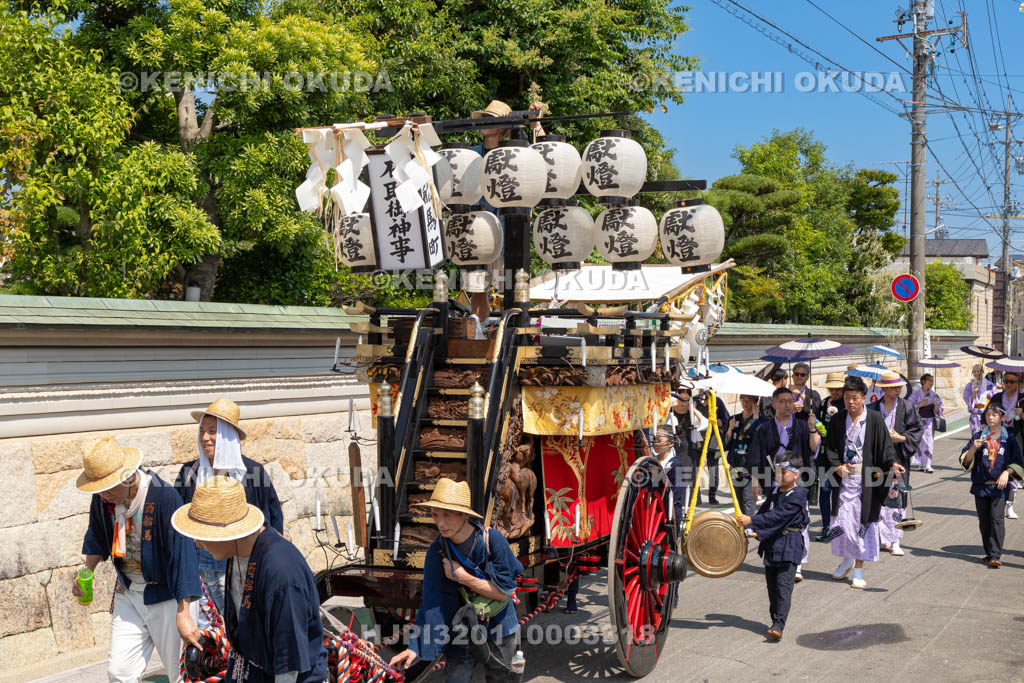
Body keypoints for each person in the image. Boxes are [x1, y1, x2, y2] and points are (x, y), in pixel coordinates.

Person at [172, 477, 328, 683]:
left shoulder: (282, 573)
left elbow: (289, 660)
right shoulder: (238, 551)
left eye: (203, 535)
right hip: (251, 670)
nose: (198, 543)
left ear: (227, 533)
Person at [75, 437, 202, 683]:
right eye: (99, 488)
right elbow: (97, 538)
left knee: (181, 675)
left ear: (128, 477)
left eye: (108, 486)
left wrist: (184, 612)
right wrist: (87, 570)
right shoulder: (103, 499)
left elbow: (182, 557)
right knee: (119, 672)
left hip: (168, 596)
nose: (103, 494)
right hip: (129, 592)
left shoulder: (165, 498)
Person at [389, 478, 523, 682]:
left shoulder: (493, 540)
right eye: (435, 515)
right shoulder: (437, 550)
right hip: (461, 630)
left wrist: (462, 577)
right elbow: (433, 602)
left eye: (447, 515)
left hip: (499, 627)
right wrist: (415, 647)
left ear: (465, 515)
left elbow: (503, 592)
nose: (440, 523)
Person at [174, 398, 284, 626]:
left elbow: (271, 521)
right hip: (199, 570)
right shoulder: (189, 473)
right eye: (202, 431)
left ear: (227, 435)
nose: (205, 438)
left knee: (239, 624)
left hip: (239, 567)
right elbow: (179, 521)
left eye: (213, 431)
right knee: (207, 634)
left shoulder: (252, 473)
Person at [824, 376, 904, 589]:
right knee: (842, 524)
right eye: (848, 398)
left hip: (866, 482)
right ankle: (847, 559)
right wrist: (837, 466)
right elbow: (830, 448)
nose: (851, 402)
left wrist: (893, 463)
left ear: (863, 398)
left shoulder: (875, 419)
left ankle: (857, 570)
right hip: (844, 481)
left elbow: (886, 447)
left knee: (862, 525)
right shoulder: (839, 420)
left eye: (855, 398)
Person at [748, 387, 820, 581]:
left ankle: (797, 563)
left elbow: (813, 449)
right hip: (774, 480)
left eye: (790, 400)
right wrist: (756, 482)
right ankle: (777, 557)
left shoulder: (802, 426)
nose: (787, 404)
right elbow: (756, 456)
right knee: (776, 520)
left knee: (798, 523)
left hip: (798, 480)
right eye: (783, 401)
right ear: (774, 404)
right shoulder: (764, 428)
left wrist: (813, 428)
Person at [736, 451, 810, 641]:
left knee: (783, 587)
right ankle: (774, 620)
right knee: (772, 588)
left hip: (789, 545)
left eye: (784, 471)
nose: (780, 474)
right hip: (772, 545)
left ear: (796, 474)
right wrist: (749, 527)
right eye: (778, 470)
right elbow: (764, 511)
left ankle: (779, 624)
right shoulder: (776, 491)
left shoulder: (799, 495)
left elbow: (778, 517)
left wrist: (753, 521)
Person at [959, 403, 1024, 567]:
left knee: (996, 518)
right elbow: (966, 461)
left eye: (994, 414)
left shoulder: (1009, 438)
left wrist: (1006, 472)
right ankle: (989, 553)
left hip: (1000, 487)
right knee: (984, 521)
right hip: (981, 485)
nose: (990, 417)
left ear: (1002, 418)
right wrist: (974, 447)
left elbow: (1018, 462)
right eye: (988, 414)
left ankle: (995, 555)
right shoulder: (978, 435)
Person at [868, 372, 923, 557]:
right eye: (893, 387)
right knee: (877, 497)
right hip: (876, 459)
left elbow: (917, 429)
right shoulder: (872, 408)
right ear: (884, 389)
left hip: (899, 457)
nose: (897, 390)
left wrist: (901, 438)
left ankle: (895, 540)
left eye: (899, 387)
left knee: (897, 497)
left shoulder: (907, 407)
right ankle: (879, 537)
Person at [985, 371, 1024, 520]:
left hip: (1017, 440)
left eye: (1012, 382)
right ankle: (996, 505)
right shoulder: (996, 398)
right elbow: (986, 415)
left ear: (1018, 383)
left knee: (1013, 473)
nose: (1008, 384)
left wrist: (1021, 414)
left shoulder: (1022, 399)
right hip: (997, 439)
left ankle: (1010, 506)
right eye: (1006, 381)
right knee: (996, 471)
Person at [813, 373, 846, 541]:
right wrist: (818, 427)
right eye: (831, 389)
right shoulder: (824, 403)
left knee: (841, 492)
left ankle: (840, 525)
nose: (834, 392)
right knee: (824, 491)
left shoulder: (848, 404)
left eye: (837, 389)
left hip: (842, 456)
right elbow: (818, 421)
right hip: (825, 454)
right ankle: (826, 526)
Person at [725, 395, 766, 517]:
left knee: (748, 500)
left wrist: (756, 417)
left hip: (751, 467)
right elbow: (726, 444)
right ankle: (742, 531)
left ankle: (748, 530)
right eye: (743, 399)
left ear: (755, 402)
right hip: (736, 465)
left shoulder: (762, 421)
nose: (745, 402)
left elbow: (761, 440)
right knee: (738, 502)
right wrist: (730, 429)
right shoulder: (734, 419)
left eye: (749, 400)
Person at [668, 387, 709, 506]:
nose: (684, 403)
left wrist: (693, 410)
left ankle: (688, 507)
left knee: (687, 481)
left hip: (687, 451)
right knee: (675, 480)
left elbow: (704, 423)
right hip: (673, 448)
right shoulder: (671, 412)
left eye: (687, 399)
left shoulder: (691, 414)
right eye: (682, 399)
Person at [694, 389, 730, 505]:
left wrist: (714, 421)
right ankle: (695, 496)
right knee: (694, 467)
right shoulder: (694, 402)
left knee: (713, 468)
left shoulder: (717, 401)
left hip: (714, 440)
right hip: (698, 439)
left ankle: (712, 496)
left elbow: (726, 421)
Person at [964, 364, 997, 434]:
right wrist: (974, 392)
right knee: (976, 436)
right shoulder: (970, 385)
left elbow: (994, 398)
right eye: (974, 371)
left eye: (978, 371)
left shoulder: (990, 385)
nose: (976, 373)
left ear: (982, 372)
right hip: (975, 415)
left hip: (987, 414)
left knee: (988, 436)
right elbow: (967, 398)